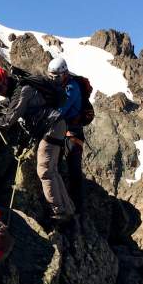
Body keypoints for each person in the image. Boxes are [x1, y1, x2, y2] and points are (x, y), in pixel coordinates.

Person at [0, 66, 75, 222]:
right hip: (56, 125)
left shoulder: (23, 90)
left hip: (51, 127)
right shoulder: (19, 88)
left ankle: (59, 211)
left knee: (45, 171)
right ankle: (68, 208)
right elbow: (15, 104)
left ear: (3, 83)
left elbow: (9, 120)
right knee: (53, 170)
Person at [47, 58, 87, 213]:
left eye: (56, 76)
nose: (53, 79)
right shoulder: (62, 85)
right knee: (60, 165)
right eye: (51, 76)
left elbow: (61, 111)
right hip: (64, 130)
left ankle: (77, 206)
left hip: (73, 132)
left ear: (64, 74)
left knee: (74, 169)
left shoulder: (72, 88)